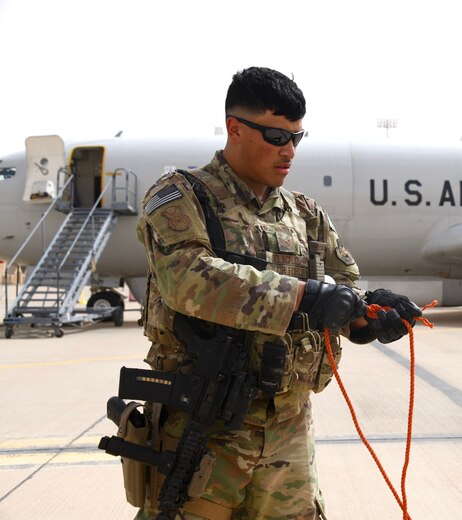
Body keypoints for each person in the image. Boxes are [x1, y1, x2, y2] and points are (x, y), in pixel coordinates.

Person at [134, 67, 422, 519]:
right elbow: (187, 278)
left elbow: (343, 286)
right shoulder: (181, 196)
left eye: (296, 137)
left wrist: (368, 315)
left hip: (287, 427)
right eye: (275, 136)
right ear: (235, 129)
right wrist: (305, 297)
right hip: (204, 424)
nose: (289, 150)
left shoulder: (303, 213)